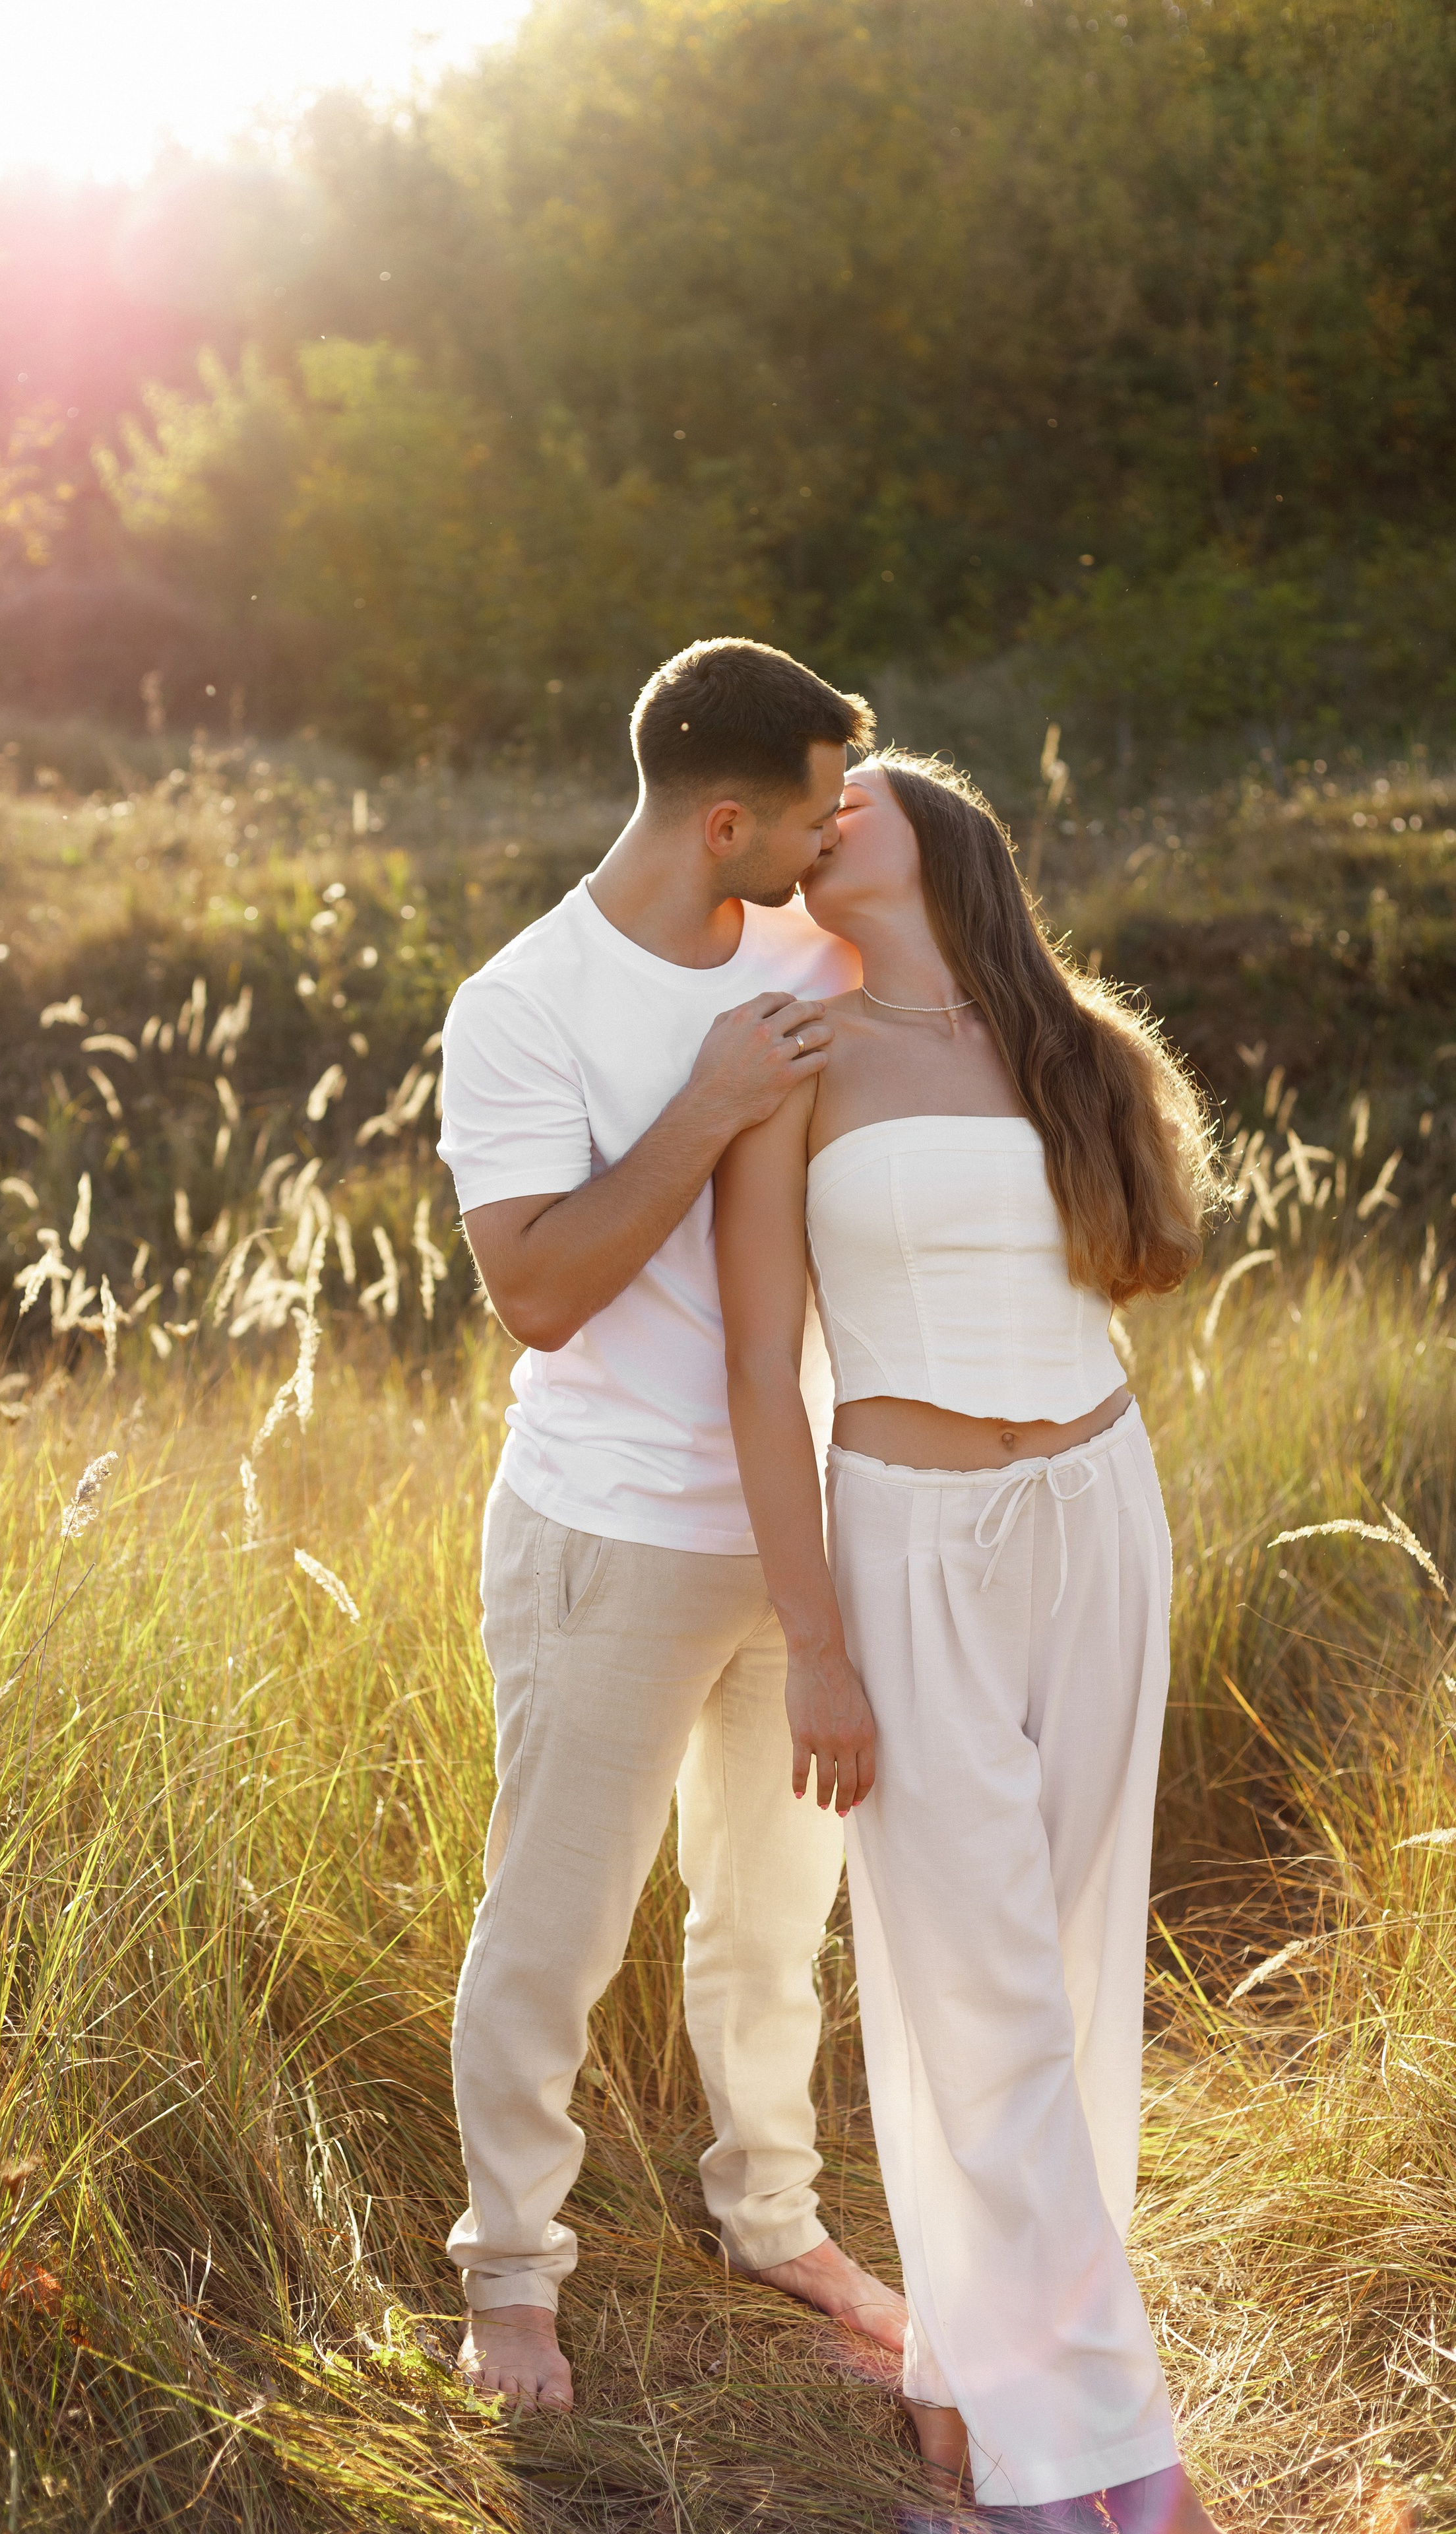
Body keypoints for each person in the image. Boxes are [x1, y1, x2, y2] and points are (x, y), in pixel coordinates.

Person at [714, 752, 1222, 2528]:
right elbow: (764, 1379)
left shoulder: (1076, 1043)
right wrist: (818, 1643)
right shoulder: (794, 1051)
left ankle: (978, 2374)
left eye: (860, 783)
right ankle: (1107, 2457)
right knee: (979, 1986)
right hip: (908, 1538)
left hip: (1097, 1512)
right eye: (808, 799)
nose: (825, 800)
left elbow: (1135, 1266)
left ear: (950, 839)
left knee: (1071, 1972)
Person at [437, 638, 910, 2413]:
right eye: (808, 812)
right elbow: (538, 1292)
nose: (828, 839)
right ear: (725, 818)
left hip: (801, 1543)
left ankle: (771, 2215)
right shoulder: (523, 1004)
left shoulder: (809, 949)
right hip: (606, 1538)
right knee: (555, 1931)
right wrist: (705, 1106)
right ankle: (509, 2276)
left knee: (774, 1916)